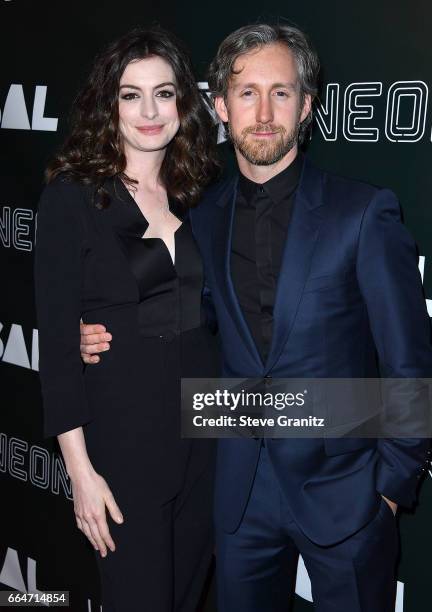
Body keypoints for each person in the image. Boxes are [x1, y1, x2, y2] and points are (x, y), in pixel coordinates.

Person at [80, 23, 432, 612]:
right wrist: (88, 333)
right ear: (220, 106)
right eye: (246, 93)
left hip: (347, 495)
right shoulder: (202, 215)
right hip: (237, 495)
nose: (264, 111)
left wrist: (390, 489)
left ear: (308, 106)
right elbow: (183, 319)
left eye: (282, 92)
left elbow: (409, 360)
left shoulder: (363, 213)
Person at [35, 26, 220, 612]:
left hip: (207, 444)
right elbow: (60, 350)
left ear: (183, 105)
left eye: (164, 94)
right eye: (130, 95)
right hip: (125, 448)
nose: (148, 111)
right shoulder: (73, 198)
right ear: (108, 104)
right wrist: (81, 475)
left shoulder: (200, 192)